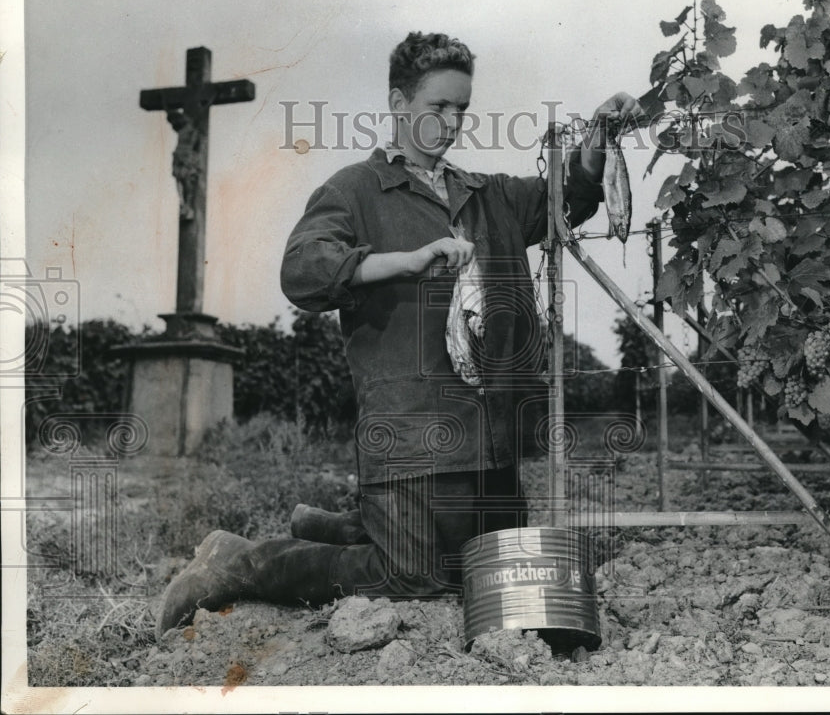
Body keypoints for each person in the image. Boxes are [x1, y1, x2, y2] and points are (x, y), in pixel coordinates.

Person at [156, 32, 642, 636]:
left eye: (461, 109)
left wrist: (600, 133)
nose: (451, 122)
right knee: (409, 578)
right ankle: (242, 561)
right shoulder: (355, 189)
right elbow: (302, 271)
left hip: (489, 435)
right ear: (398, 103)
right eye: (438, 107)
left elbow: (565, 199)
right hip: (407, 434)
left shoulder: (488, 197)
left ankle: (347, 524)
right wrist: (405, 260)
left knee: (481, 572)